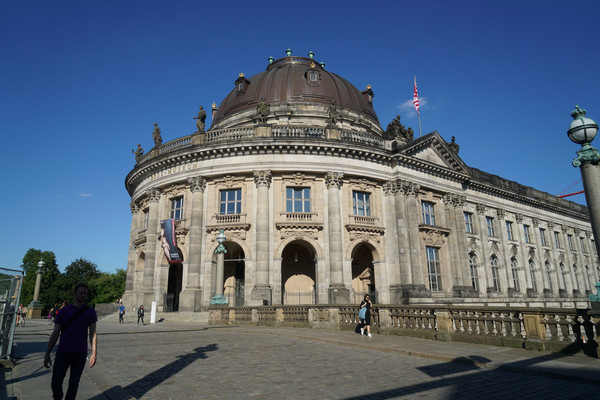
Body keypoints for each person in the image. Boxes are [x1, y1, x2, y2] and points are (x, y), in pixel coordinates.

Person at [44, 283, 97, 400]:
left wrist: (94, 353)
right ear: (75, 294)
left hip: (80, 353)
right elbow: (55, 333)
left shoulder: (90, 312)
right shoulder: (64, 311)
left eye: (85, 293)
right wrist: (47, 353)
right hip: (63, 351)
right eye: (81, 293)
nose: (83, 295)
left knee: (74, 383)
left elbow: (93, 333)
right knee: (56, 381)